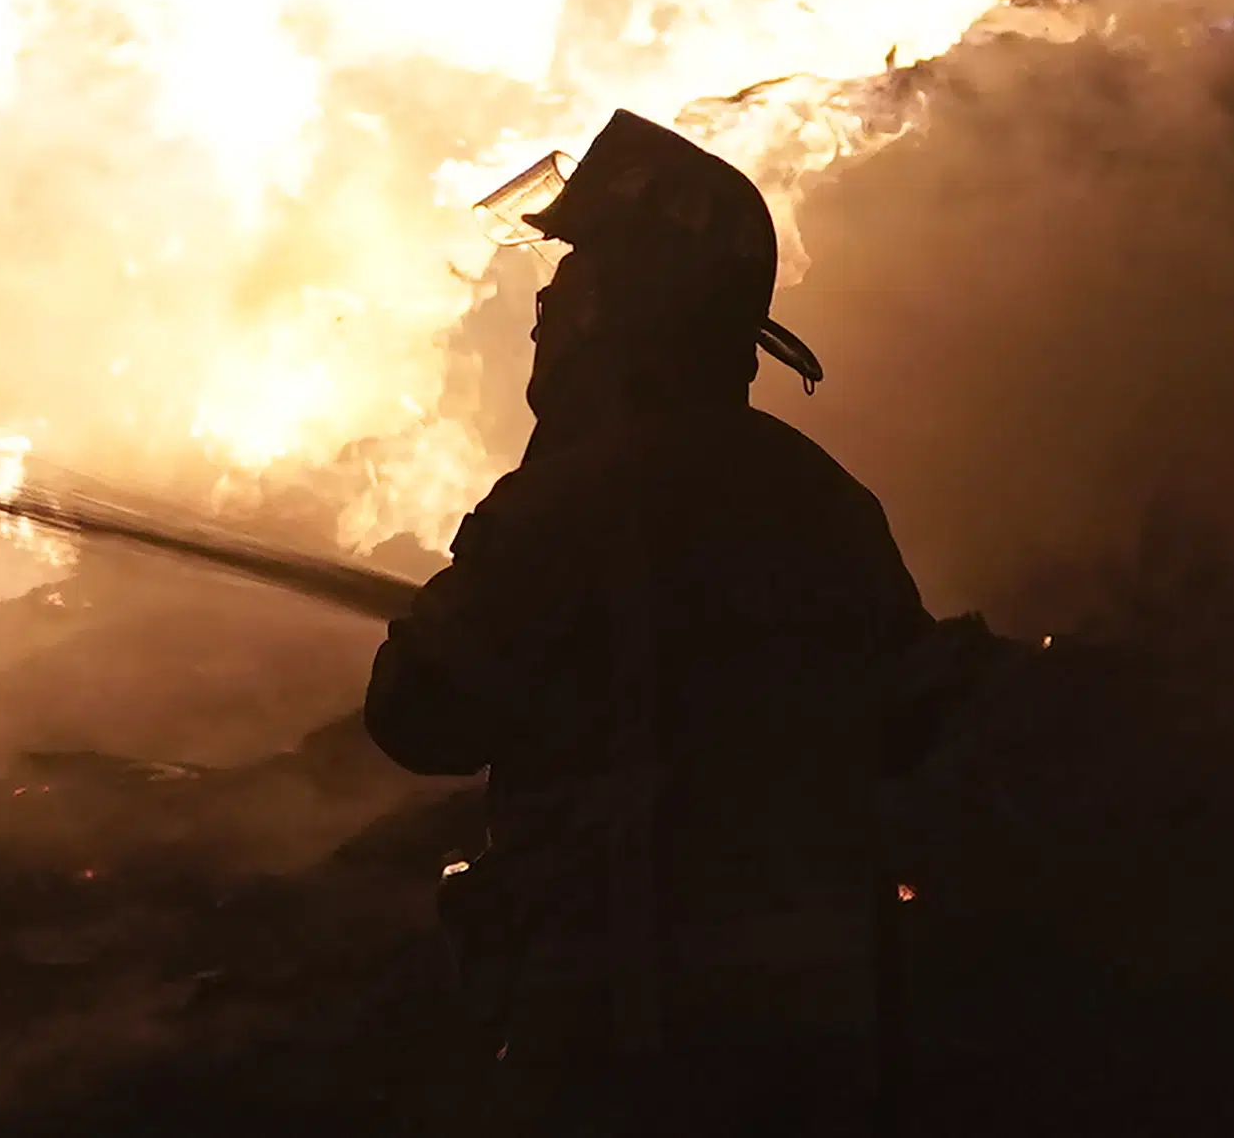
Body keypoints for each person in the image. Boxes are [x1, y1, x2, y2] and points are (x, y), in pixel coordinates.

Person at [365, 111, 932, 1137]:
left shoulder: (564, 506)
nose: (544, 310)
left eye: (571, 279)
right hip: (823, 1053)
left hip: (625, 1047)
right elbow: (905, 727)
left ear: (627, 309)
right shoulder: (823, 499)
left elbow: (417, 716)